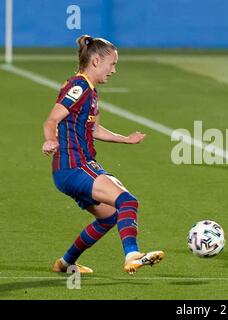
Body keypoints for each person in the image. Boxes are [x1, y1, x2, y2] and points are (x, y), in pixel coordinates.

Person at [42, 35, 164, 275]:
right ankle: (132, 255)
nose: (114, 70)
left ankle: (65, 264)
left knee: (110, 217)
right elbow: (52, 119)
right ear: (96, 61)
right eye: (113, 64)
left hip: (74, 168)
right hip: (74, 165)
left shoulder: (91, 91)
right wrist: (50, 140)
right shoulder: (78, 87)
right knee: (127, 201)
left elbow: (94, 129)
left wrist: (125, 139)